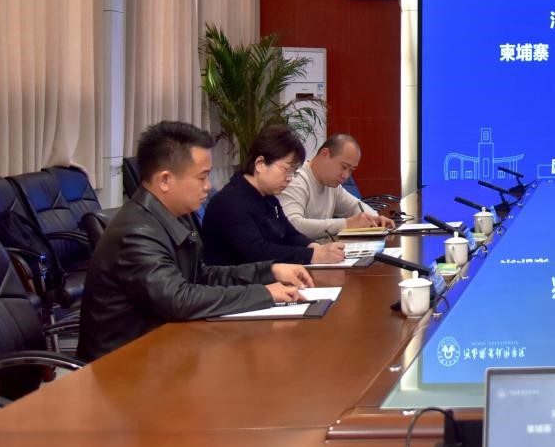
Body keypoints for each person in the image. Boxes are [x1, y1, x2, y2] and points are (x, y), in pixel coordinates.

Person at [77, 121, 313, 361]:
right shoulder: (136, 232)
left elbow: (202, 276)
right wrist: (264, 293)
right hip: (123, 363)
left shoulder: (177, 215)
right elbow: (178, 299)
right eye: (202, 177)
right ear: (165, 180)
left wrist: (269, 271)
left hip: (165, 348)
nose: (208, 187)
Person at [202, 125, 347, 265]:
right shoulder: (230, 202)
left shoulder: (268, 197)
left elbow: (289, 234)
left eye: (294, 172)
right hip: (237, 280)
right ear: (260, 164)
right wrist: (312, 256)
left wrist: (315, 247)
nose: (290, 178)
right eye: (287, 169)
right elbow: (257, 252)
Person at [278, 133, 394, 241]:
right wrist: (346, 224)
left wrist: (375, 220)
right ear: (325, 154)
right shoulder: (295, 179)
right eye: (344, 167)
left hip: (323, 252)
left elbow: (355, 206)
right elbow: (293, 225)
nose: (346, 176)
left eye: (351, 170)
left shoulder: (331, 184)